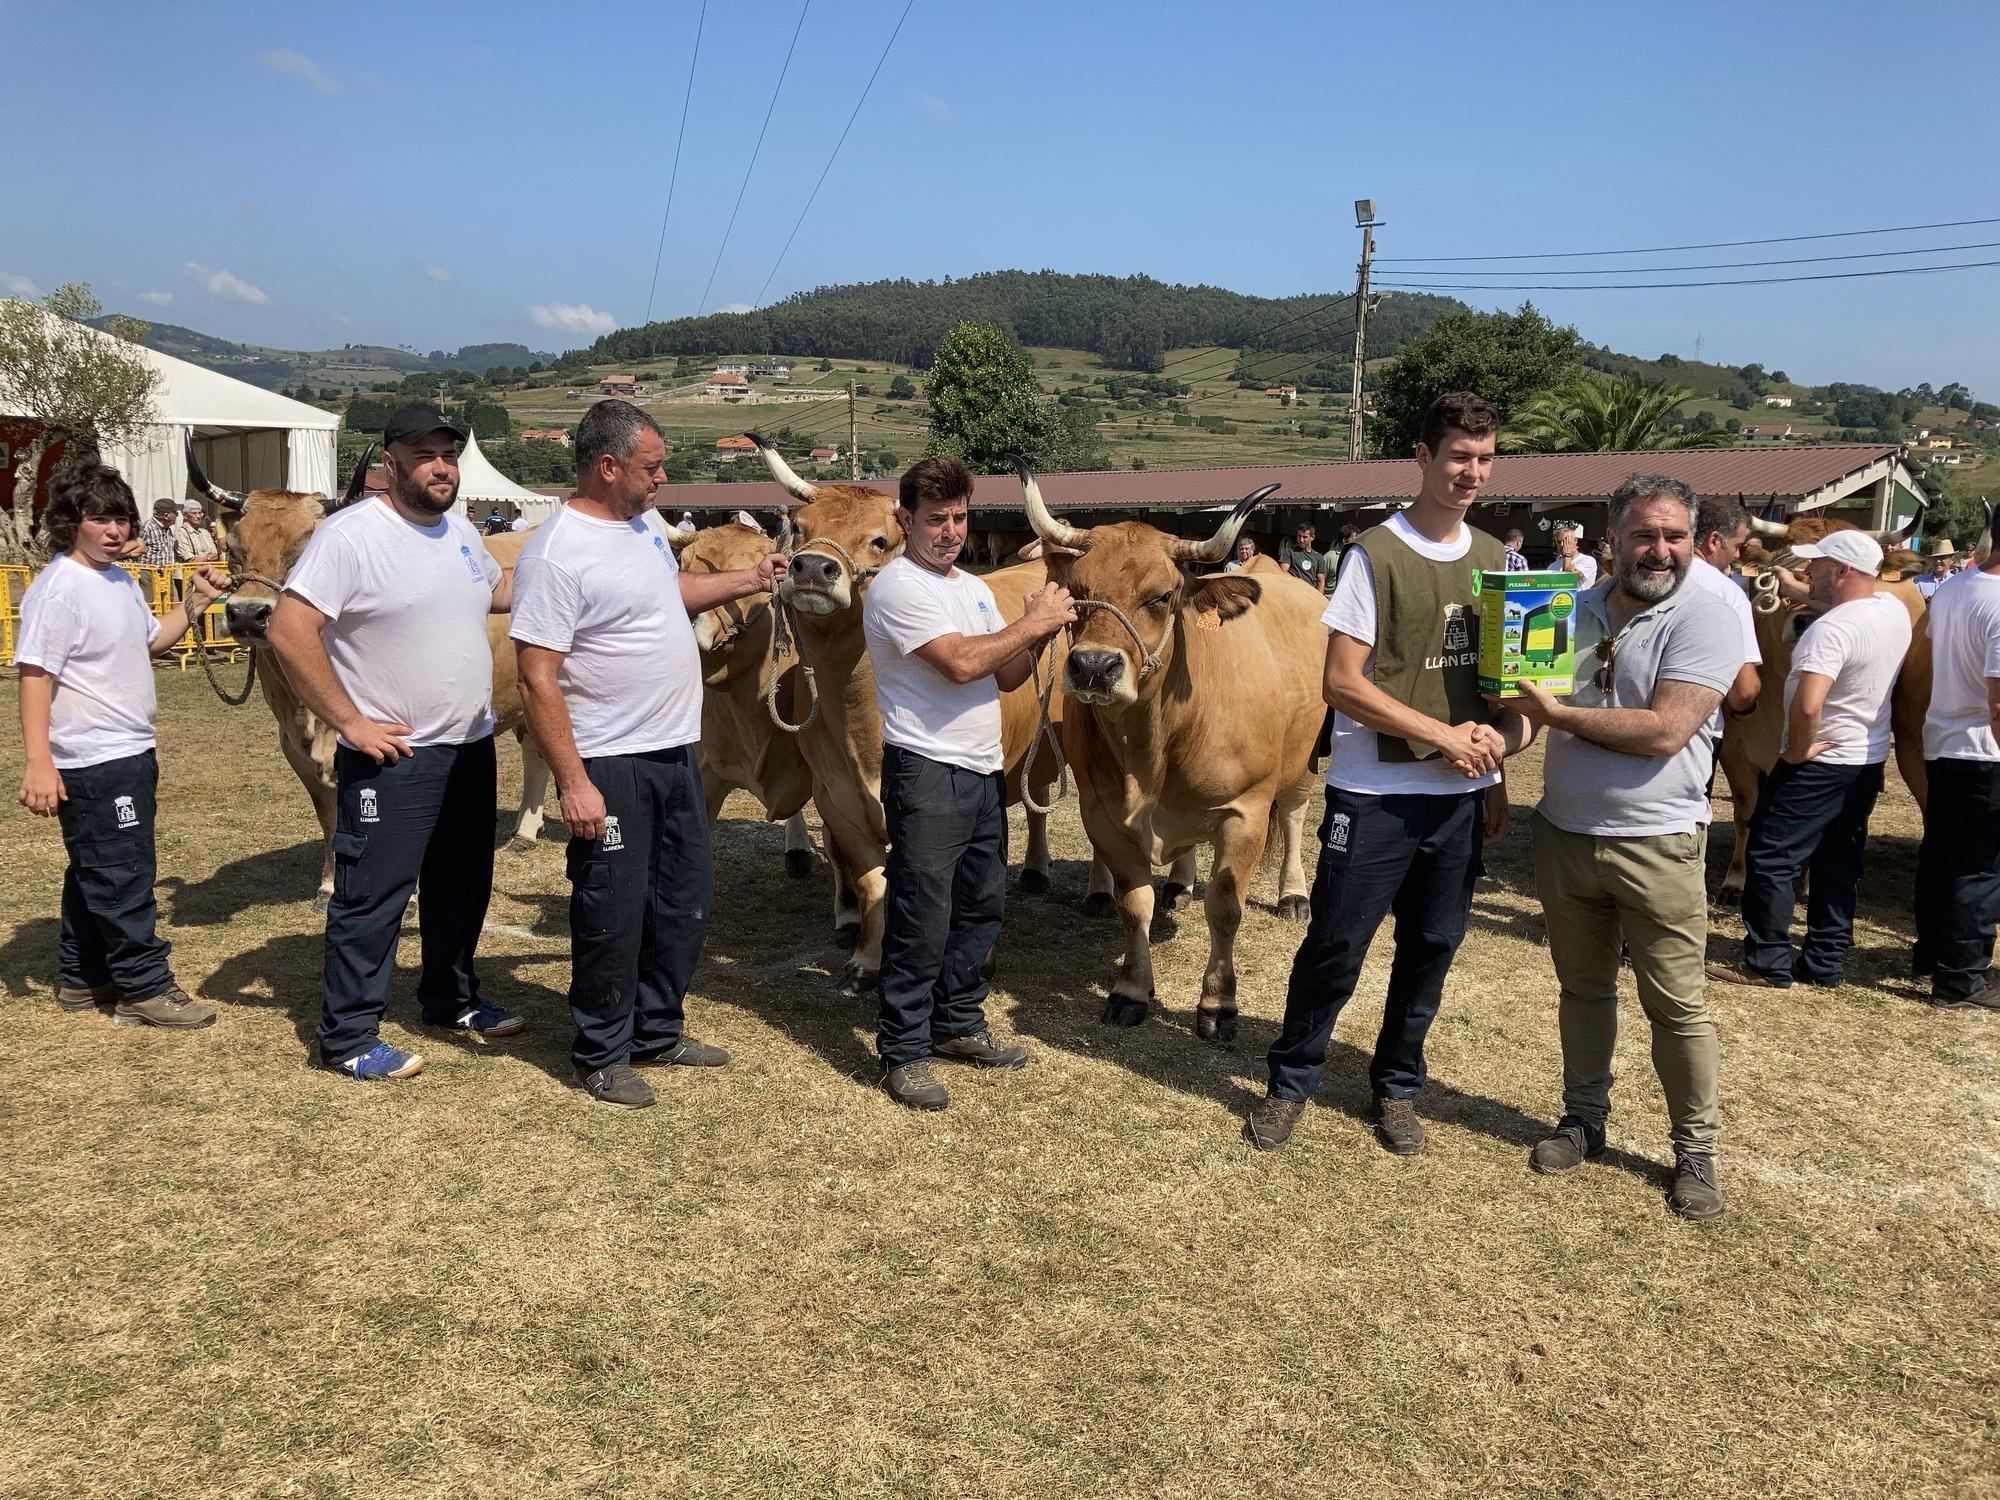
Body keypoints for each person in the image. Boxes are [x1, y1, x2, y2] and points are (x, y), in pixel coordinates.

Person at [1248, 392, 1531, 1155]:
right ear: (1423, 457)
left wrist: (1497, 764)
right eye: (1458, 457)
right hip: (1376, 795)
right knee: (1337, 946)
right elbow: (1342, 683)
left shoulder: (1503, 565)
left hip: (1460, 800)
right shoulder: (1374, 553)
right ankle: (1290, 1081)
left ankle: (1398, 1087)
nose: (1471, 473)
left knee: (1432, 946)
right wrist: (1440, 734)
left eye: (1484, 459)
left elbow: (1510, 691)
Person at [512, 400, 787, 1108]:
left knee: (682, 899)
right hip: (609, 762)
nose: (662, 478)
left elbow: (668, 593)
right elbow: (536, 674)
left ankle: (657, 1030)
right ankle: (602, 1052)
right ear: (608, 468)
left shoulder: (637, 530)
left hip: (673, 752)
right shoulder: (557, 551)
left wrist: (748, 581)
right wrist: (573, 784)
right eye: (652, 466)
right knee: (613, 907)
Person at [267, 405, 527, 1081]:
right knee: (373, 894)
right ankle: (349, 1036)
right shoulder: (351, 536)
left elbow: (496, 595)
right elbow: (290, 631)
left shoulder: (463, 533)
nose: (441, 466)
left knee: (462, 883)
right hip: (394, 755)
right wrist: (350, 721)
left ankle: (450, 998)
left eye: (449, 454)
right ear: (391, 463)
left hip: (470, 743)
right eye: (425, 454)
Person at [1507, 474, 1739, 1221]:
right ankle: (1584, 1120)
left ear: (1693, 537)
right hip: (1565, 833)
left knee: (1676, 1007)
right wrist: (1492, 743)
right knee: (1583, 991)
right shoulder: (1565, 610)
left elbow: (1666, 731)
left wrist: (1553, 713)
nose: (1660, 549)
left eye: (1674, 535)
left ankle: (1694, 1151)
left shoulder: (1710, 614)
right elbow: (1528, 711)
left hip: (1660, 842)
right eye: (1645, 534)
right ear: (1614, 538)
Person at [865, 456, 1075, 1109]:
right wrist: (1034, 621)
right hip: (926, 770)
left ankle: (956, 1023)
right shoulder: (898, 588)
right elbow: (959, 663)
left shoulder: (974, 590)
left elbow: (1005, 676)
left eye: (959, 517)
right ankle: (903, 1050)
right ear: (905, 520)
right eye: (935, 519)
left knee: (982, 905)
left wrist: (1040, 635)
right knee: (921, 915)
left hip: (983, 768)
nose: (950, 531)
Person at [15, 463, 225, 1030]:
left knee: (97, 866)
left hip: (129, 749)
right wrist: (39, 762)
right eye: (98, 518)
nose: (112, 529)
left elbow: (151, 640)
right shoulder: (58, 590)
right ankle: (143, 987)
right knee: (124, 871)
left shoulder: (120, 581)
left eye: (121, 518)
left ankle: (85, 977)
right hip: (92, 758)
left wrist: (196, 601)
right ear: (69, 523)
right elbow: (34, 674)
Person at [1708, 531, 1910, 991]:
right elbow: (1847, 608)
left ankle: (1766, 962)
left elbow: (1807, 705)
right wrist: (1795, 590)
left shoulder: (1829, 632)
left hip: (1818, 764)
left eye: (1816, 566)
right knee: (1840, 859)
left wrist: (1797, 751)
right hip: (1866, 759)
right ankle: (1824, 960)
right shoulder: (1890, 611)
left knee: (1771, 856)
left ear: (1841, 571)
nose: (1807, 573)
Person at [1911, 523, 2000, 1009]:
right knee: (1980, 869)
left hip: (1944, 743)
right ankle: (1962, 977)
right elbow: (1999, 701)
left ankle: (1932, 953)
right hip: (1987, 751)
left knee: (1943, 855)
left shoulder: (1953, 590)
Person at [1686, 492, 1762, 718]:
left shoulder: (1644, 579)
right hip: (1697, 729)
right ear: (1714, 540)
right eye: (1738, 545)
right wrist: (1746, 708)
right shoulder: (1727, 592)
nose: (1737, 555)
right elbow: (1743, 691)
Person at [1280, 519, 1331, 595]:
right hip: (1293, 593)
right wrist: (1297, 581)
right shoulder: (1288, 553)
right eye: (1299, 536)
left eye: (1305, 537)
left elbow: (1321, 581)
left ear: (1312, 537)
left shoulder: (1319, 557)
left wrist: (1319, 598)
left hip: (1310, 596)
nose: (1301, 540)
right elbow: (1283, 573)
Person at [137, 498, 179, 568]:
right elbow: (135, 550)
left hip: (166, 574)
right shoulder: (147, 528)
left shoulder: (168, 529)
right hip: (149, 573)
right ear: (166, 516)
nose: (177, 515)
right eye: (175, 513)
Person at [1554, 522, 1597, 587]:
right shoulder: (1552, 567)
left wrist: (1567, 555)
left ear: (1575, 540)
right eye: (1559, 542)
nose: (1562, 545)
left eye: (1566, 541)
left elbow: (1569, 577)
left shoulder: (1587, 561)